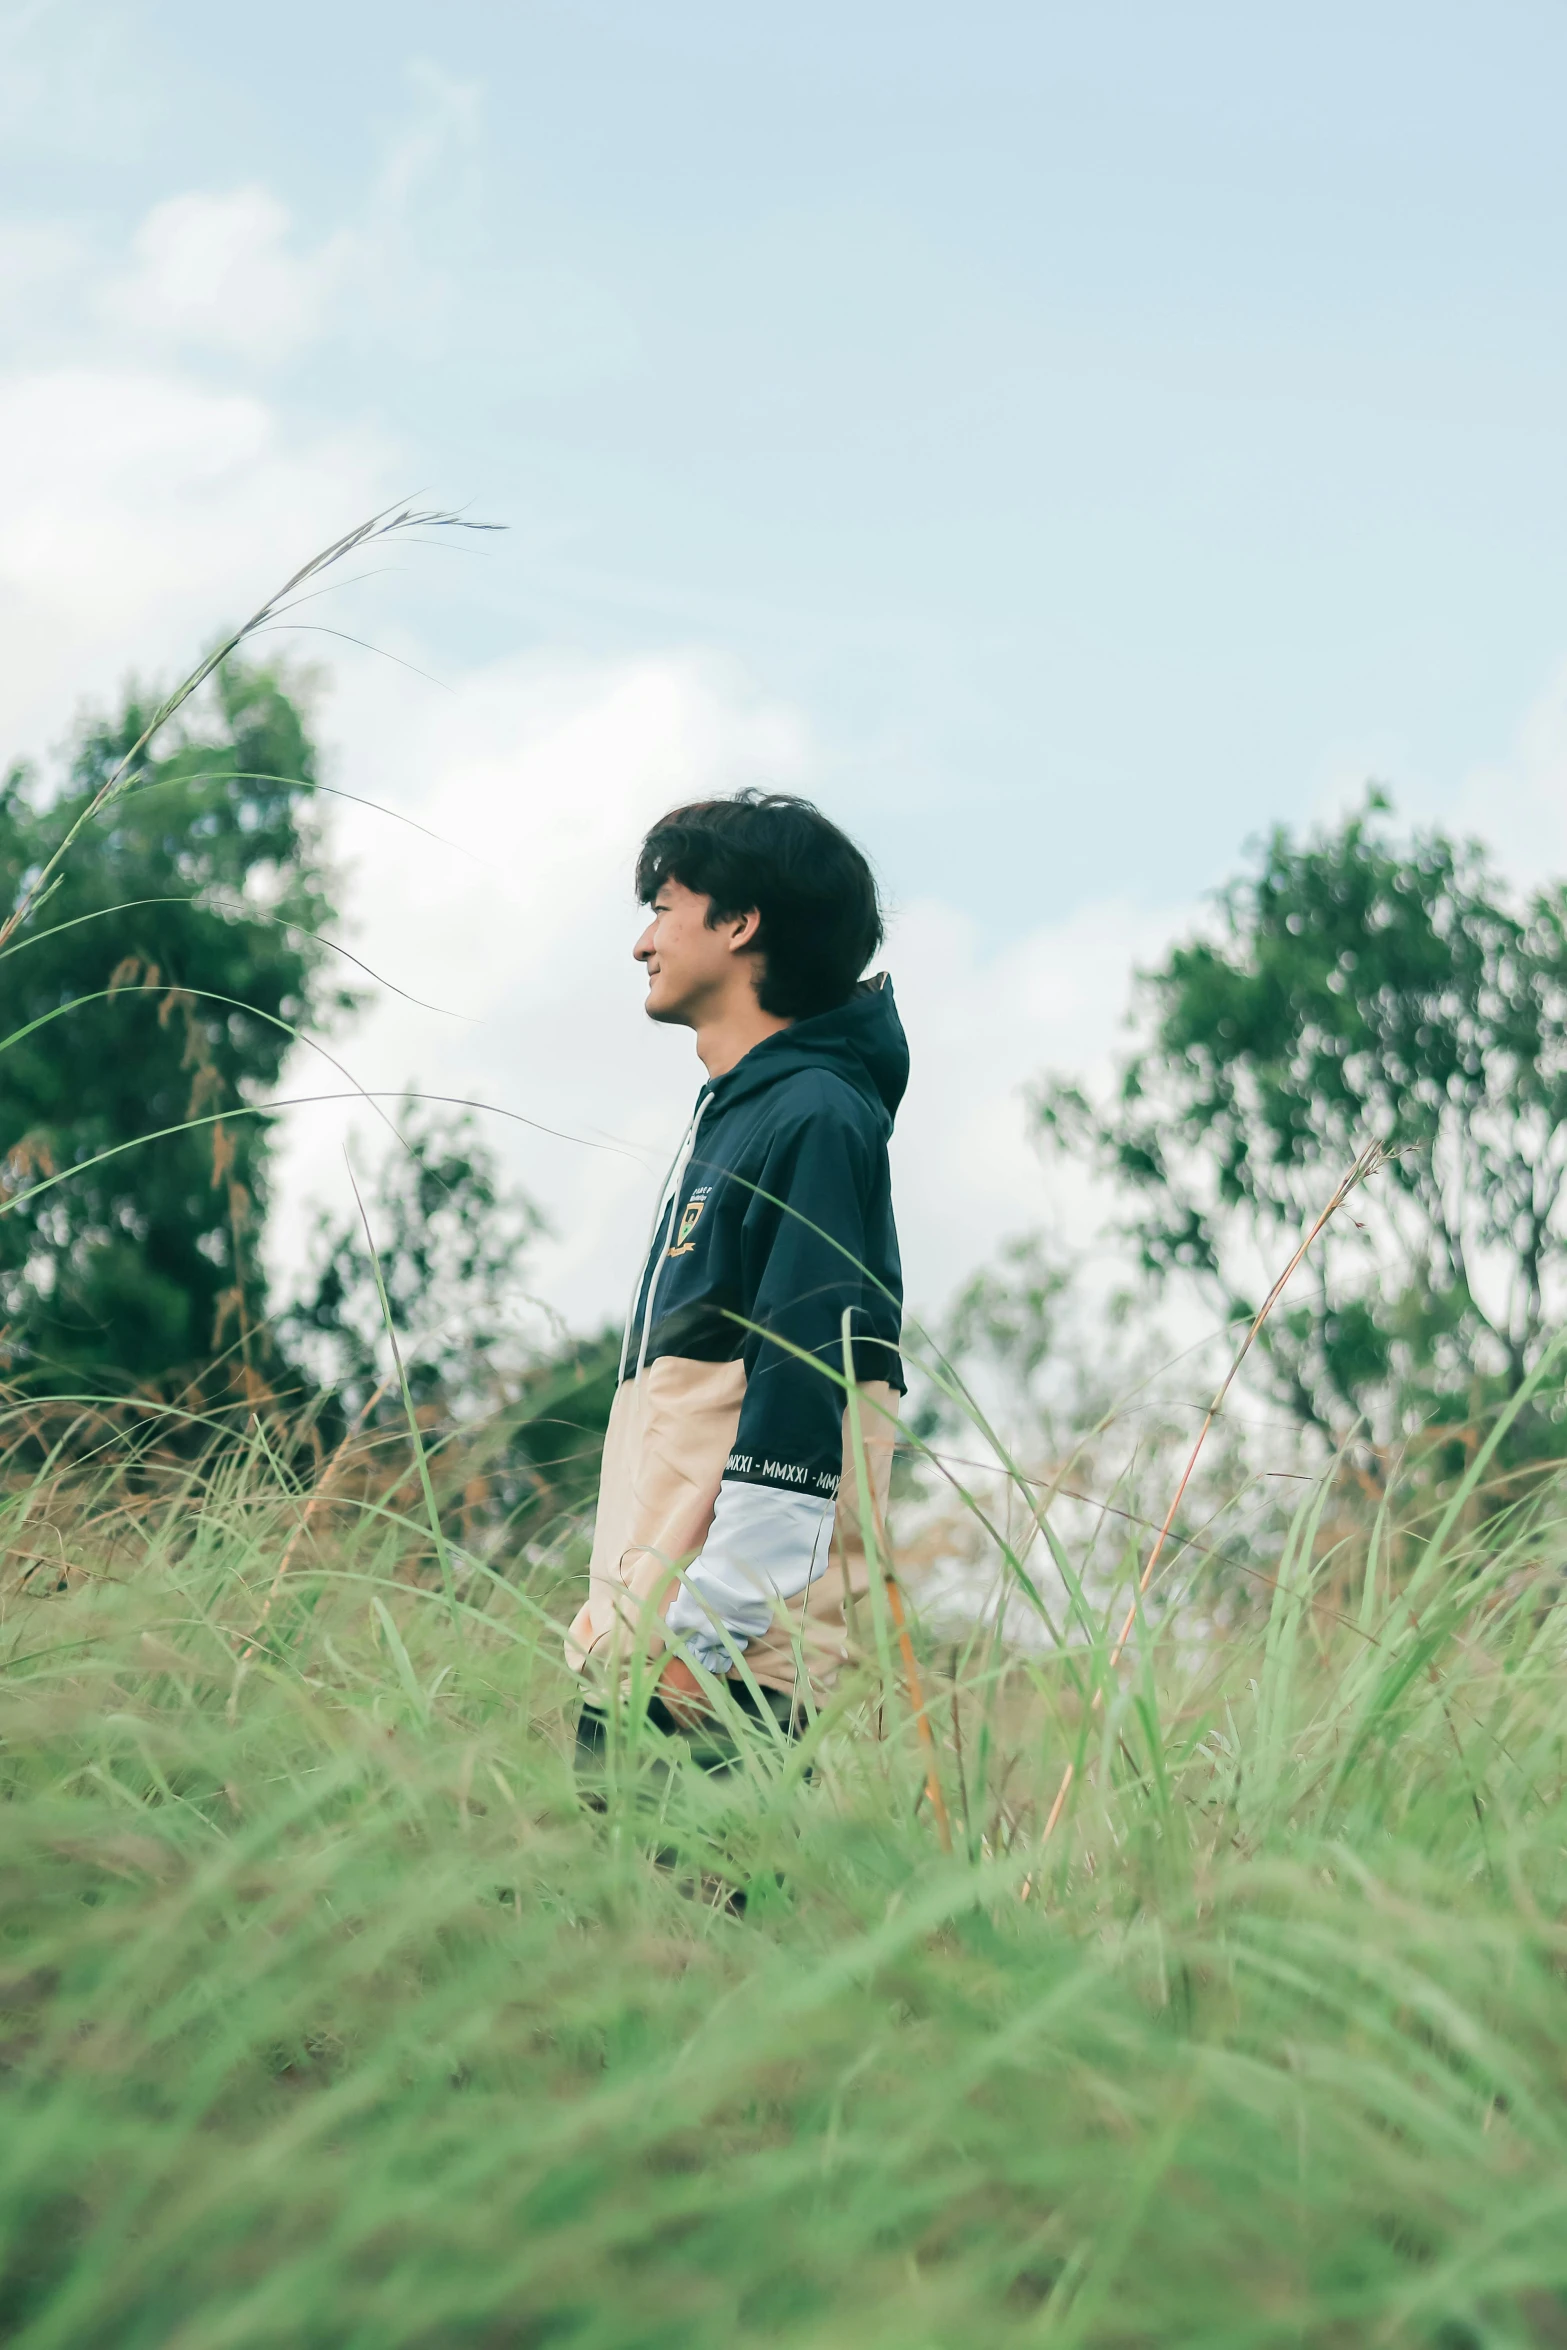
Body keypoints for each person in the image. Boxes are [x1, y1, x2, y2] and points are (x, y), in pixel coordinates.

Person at [567, 789, 907, 1763]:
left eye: (664, 906)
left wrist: (698, 1648)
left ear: (740, 921)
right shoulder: (744, 1118)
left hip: (718, 1674)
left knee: (686, 1919)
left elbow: (804, 1403)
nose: (643, 941)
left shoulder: (813, 1117)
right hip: (654, 1650)